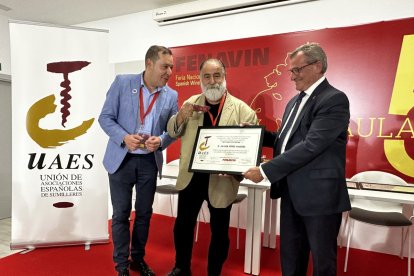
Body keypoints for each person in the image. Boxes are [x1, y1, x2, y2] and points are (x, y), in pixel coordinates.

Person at [243, 43, 351, 276]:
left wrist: (265, 170)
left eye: (297, 70)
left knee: (323, 263)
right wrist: (256, 134)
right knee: (291, 257)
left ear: (318, 66)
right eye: (291, 71)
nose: (292, 76)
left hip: (320, 197)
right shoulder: (294, 101)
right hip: (292, 191)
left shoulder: (334, 99)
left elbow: (312, 145)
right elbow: (285, 141)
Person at [166, 58, 258, 276]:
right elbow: (172, 131)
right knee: (183, 226)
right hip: (191, 177)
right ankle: (181, 267)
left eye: (217, 75)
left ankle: (214, 271)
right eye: (206, 76)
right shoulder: (191, 103)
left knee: (219, 231)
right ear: (200, 79)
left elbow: (250, 150)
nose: (212, 81)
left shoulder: (242, 111)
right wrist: (180, 116)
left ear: (225, 77)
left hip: (221, 180)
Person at [99, 45, 178, 276]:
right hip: (121, 160)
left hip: (148, 163)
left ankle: (138, 259)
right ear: (149, 64)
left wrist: (161, 141)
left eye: (172, 67)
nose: (169, 72)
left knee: (144, 213)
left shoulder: (171, 95)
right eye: (165, 66)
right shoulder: (122, 83)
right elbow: (105, 118)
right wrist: (124, 137)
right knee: (121, 214)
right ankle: (121, 266)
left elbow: (174, 129)